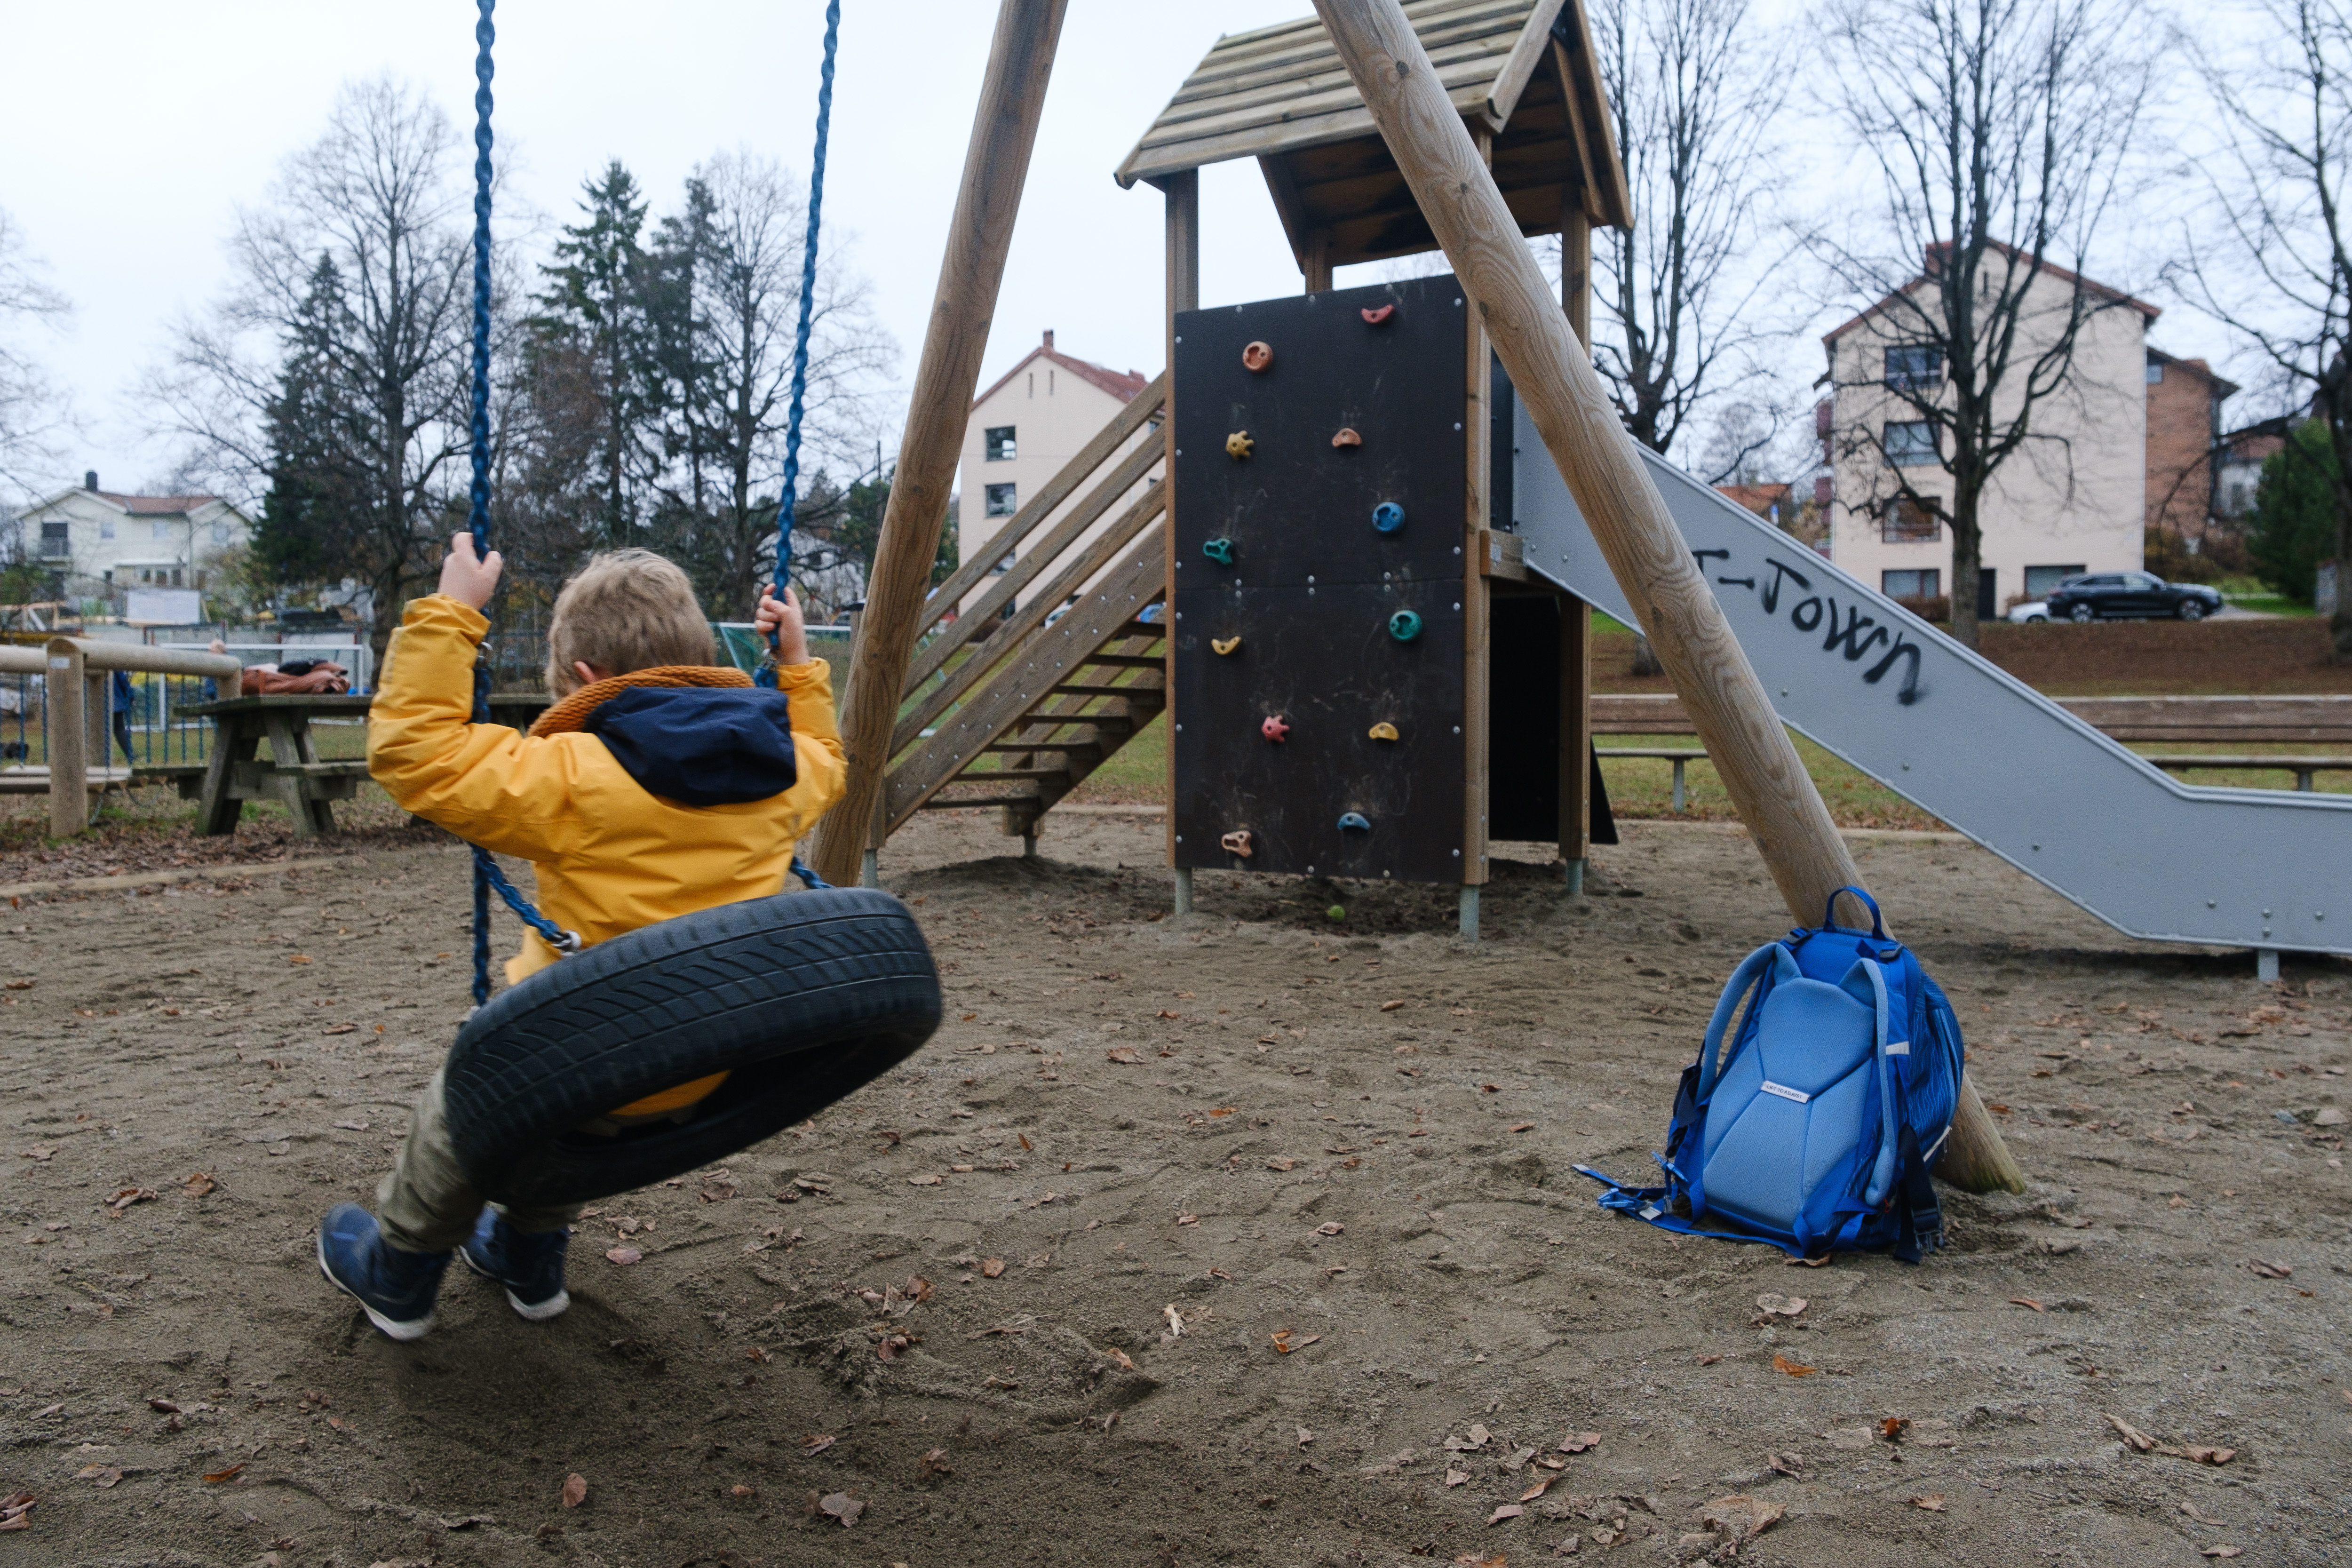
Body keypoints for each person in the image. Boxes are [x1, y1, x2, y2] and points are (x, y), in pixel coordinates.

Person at [316, 536, 843, 1340]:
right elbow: (830, 758)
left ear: (589, 679)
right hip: (704, 1069)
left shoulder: (573, 775)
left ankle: (400, 1270)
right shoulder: (785, 772)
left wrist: (451, 613)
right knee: (580, 1068)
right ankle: (529, 1258)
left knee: (473, 1095)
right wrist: (798, 665)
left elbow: (416, 756)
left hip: (569, 1065)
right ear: (701, 656)